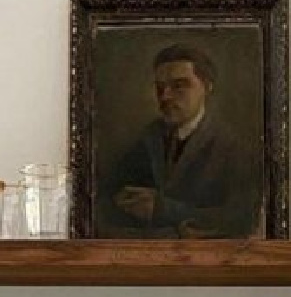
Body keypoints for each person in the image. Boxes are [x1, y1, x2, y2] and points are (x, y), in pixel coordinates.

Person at [98, 43, 261, 239]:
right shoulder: (146, 139)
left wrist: (162, 209)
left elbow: (241, 220)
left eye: (179, 86)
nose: (165, 97)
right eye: (160, 88)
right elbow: (104, 200)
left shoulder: (232, 149)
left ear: (207, 87)